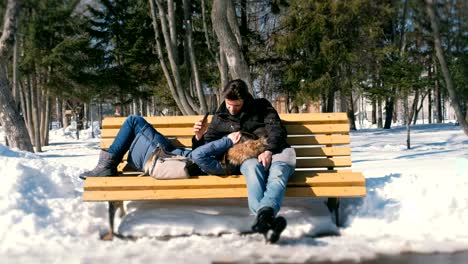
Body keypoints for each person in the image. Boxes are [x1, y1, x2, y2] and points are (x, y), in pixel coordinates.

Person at [192, 79, 296, 243]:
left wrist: (269, 150)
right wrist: (199, 137)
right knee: (251, 168)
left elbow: (277, 130)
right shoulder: (220, 118)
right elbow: (206, 148)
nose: (232, 109)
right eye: (228, 104)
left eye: (237, 105)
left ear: (245, 99)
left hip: (277, 150)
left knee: (278, 173)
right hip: (248, 158)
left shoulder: (261, 106)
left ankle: (263, 219)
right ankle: (266, 218)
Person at [79, 114, 203, 180]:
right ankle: (106, 166)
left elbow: (202, 155)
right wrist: (198, 137)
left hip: (167, 157)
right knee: (134, 121)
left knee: (133, 121)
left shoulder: (214, 153)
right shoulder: (220, 134)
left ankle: (106, 166)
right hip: (171, 156)